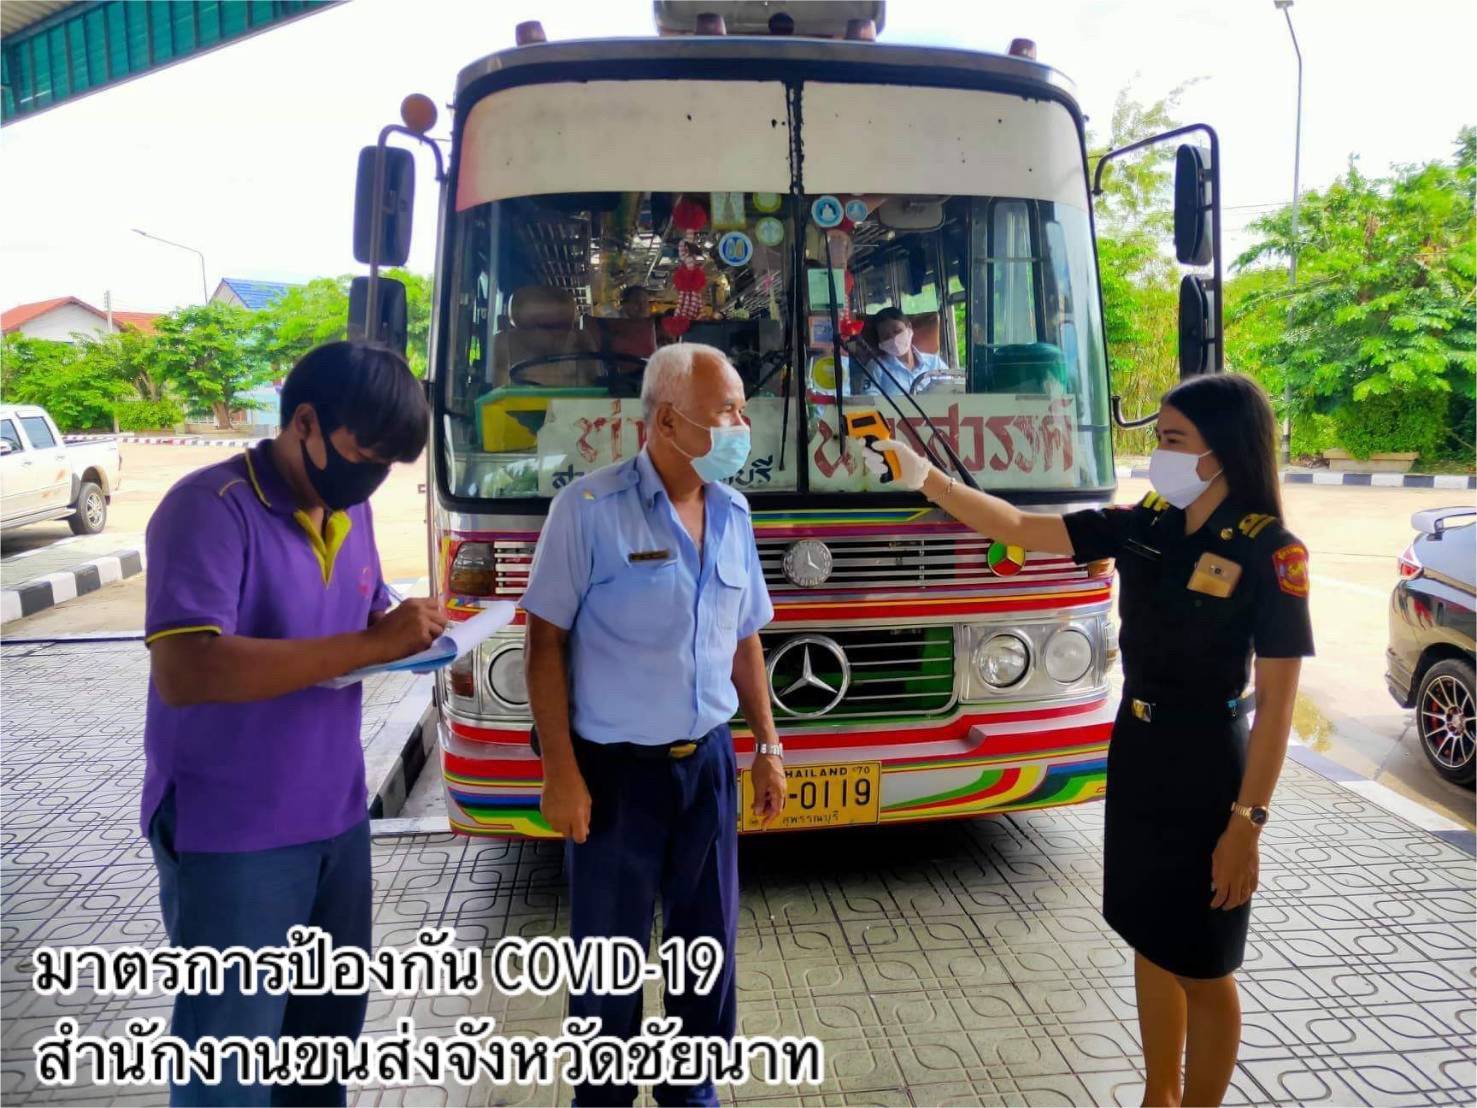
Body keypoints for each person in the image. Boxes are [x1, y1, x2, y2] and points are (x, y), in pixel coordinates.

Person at [865, 373, 1313, 1108]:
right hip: (1137, 755)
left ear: (1222, 451)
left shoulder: (1271, 553)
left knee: (1203, 962)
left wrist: (1246, 824)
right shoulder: (1145, 525)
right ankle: (1156, 1095)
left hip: (1209, 768)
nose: (1157, 454)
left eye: (1172, 440)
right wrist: (928, 480)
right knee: (1148, 935)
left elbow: (1278, 705)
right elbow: (1015, 527)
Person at [141, 341, 444, 1107]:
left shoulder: (352, 510)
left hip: (335, 818)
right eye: (361, 452)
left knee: (320, 1046)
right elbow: (188, 669)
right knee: (228, 1058)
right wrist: (372, 642)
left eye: (387, 463)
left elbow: (357, 616)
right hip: (232, 828)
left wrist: (408, 634)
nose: (370, 474)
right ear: (303, 421)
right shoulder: (208, 511)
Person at [521, 342, 787, 1108]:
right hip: (613, 778)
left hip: (704, 767)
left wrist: (766, 746)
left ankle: (691, 1095)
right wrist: (559, 774)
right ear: (667, 420)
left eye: (741, 408)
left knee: (707, 953)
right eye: (727, 412)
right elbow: (545, 644)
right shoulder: (588, 510)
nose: (741, 425)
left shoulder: (733, 511)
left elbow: (745, 637)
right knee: (608, 965)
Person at [852, 306, 948, 396]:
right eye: (886, 337)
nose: (894, 338)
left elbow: (952, 392)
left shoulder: (935, 363)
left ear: (909, 328)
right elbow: (871, 402)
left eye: (897, 331)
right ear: (880, 343)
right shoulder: (877, 367)